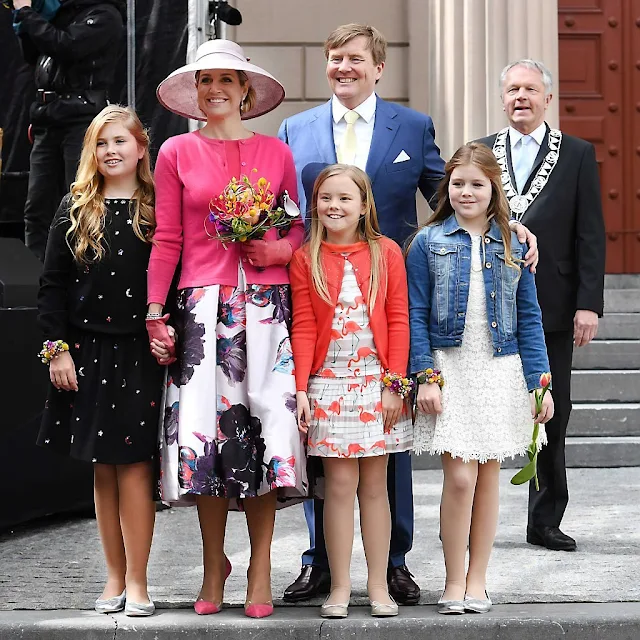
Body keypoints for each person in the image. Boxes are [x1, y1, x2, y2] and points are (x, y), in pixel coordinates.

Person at [277, 22, 444, 606]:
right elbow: (281, 211)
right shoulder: (294, 129)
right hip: (317, 298)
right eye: (333, 60)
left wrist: (505, 225)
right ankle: (321, 564)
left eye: (353, 59)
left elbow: (448, 197)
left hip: (384, 301)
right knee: (327, 463)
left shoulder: (413, 127)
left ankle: (392, 564)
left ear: (378, 68)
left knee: (384, 460)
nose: (342, 68)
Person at [148, 39, 307, 619]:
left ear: (245, 90)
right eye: (206, 80)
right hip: (198, 309)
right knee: (204, 439)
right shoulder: (174, 151)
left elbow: (296, 228)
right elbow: (167, 238)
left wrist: (275, 250)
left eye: (227, 80)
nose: (215, 89)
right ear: (196, 91)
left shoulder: (276, 151)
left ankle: (261, 566)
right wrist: (152, 310)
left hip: (265, 309)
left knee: (266, 431)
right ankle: (215, 563)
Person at [406, 142, 554, 614]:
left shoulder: (512, 243)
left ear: (494, 189)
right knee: (461, 478)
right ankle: (452, 579)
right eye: (457, 184)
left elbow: (529, 317)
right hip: (450, 369)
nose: (466, 192)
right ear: (445, 189)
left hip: (499, 367)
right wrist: (425, 375)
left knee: (489, 476)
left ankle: (477, 580)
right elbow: (415, 312)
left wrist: (540, 382)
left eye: (476, 184)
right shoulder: (427, 243)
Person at [36, 105, 164, 617]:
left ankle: (138, 582)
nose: (111, 151)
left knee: (134, 466)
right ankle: (113, 576)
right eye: (102, 143)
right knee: (102, 470)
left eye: (120, 141)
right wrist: (57, 350)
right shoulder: (75, 207)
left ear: (140, 148)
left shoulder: (156, 207)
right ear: (92, 151)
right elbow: (52, 287)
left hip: (140, 351)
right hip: (85, 352)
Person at [476, 59, 606, 552]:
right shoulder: (483, 152)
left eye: (530, 89)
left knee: (552, 409)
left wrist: (587, 304)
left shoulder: (576, 153)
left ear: (547, 98)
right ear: (502, 97)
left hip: (553, 304)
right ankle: (475, 514)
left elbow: (590, 233)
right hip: (487, 301)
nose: (520, 98)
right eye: (512, 90)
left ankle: (545, 518)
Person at [290, 164, 412, 618]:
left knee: (376, 487)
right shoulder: (306, 257)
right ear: (315, 205)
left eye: (344, 198)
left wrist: (394, 385)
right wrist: (301, 388)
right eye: (325, 198)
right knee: (339, 485)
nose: (334, 206)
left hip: (376, 384)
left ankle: (378, 586)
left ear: (364, 206)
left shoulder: (386, 253)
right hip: (328, 384)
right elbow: (302, 325)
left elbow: (399, 321)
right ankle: (339, 587)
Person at [12, 0, 125, 260]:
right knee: (36, 206)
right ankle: (37, 278)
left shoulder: (105, 15)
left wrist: (28, 13)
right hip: (48, 120)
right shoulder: (60, 15)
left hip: (80, 121)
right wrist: (23, 24)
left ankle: (83, 275)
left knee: (80, 199)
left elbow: (66, 46)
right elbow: (34, 55)